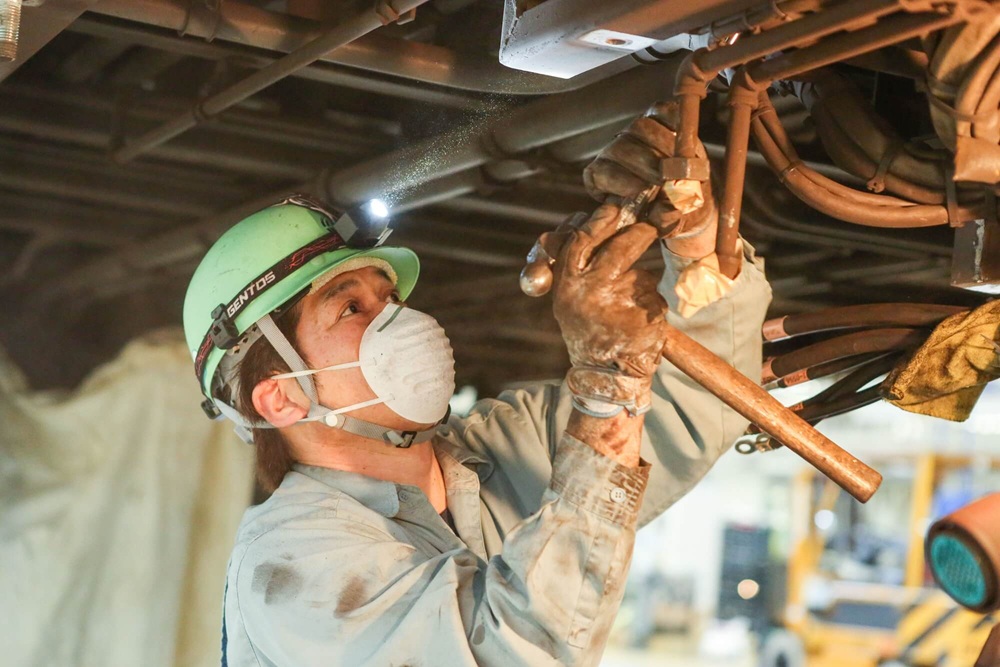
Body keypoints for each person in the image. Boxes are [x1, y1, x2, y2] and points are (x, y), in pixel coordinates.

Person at [182, 104, 771, 666]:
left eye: (388, 298)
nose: (396, 319)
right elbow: (507, 651)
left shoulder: (497, 449)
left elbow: (703, 399)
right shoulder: (289, 564)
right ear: (280, 396)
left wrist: (694, 240)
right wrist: (608, 387)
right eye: (351, 309)